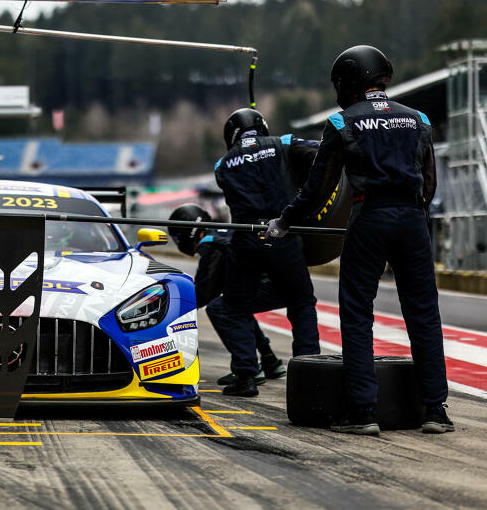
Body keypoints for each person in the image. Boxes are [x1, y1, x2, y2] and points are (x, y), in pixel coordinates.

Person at [267, 45, 452, 435]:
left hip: (370, 219)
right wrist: (412, 214)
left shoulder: (341, 123)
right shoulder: (418, 119)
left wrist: (284, 221)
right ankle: (436, 410)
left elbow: (319, 188)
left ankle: (363, 412)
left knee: (356, 313)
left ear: (348, 80)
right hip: (413, 220)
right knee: (423, 313)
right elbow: (429, 183)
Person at [214, 108, 321, 396]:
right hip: (283, 234)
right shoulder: (283, 142)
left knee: (236, 308)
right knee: (301, 304)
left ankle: (247, 377)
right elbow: (321, 154)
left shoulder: (221, 165)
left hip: (245, 239)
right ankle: (309, 374)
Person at [167, 203, 285, 385]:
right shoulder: (223, 231)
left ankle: (247, 369)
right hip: (283, 279)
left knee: (221, 309)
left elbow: (204, 291)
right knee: (234, 304)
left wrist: (176, 308)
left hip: (270, 284)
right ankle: (269, 360)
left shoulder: (210, 244)